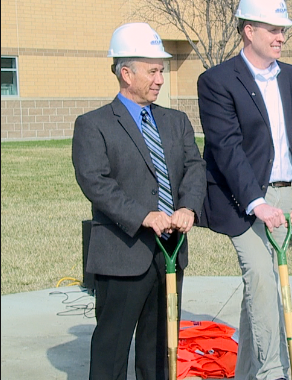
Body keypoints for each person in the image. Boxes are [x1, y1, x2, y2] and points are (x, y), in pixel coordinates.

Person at [72, 22, 206, 380]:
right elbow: (95, 181)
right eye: (153, 70)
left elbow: (195, 168)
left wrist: (188, 207)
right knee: (111, 349)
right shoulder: (93, 124)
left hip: (170, 251)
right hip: (121, 254)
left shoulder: (176, 122)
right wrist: (143, 215)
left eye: (161, 70)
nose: (160, 78)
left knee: (161, 348)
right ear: (126, 73)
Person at [196, 0, 292, 380]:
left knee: (259, 294)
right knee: (262, 277)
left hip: (282, 194)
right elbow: (226, 148)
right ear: (249, 31)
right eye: (273, 29)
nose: (281, 36)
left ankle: (247, 373)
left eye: (284, 30)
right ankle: (271, 372)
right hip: (238, 198)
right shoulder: (216, 81)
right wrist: (255, 202)